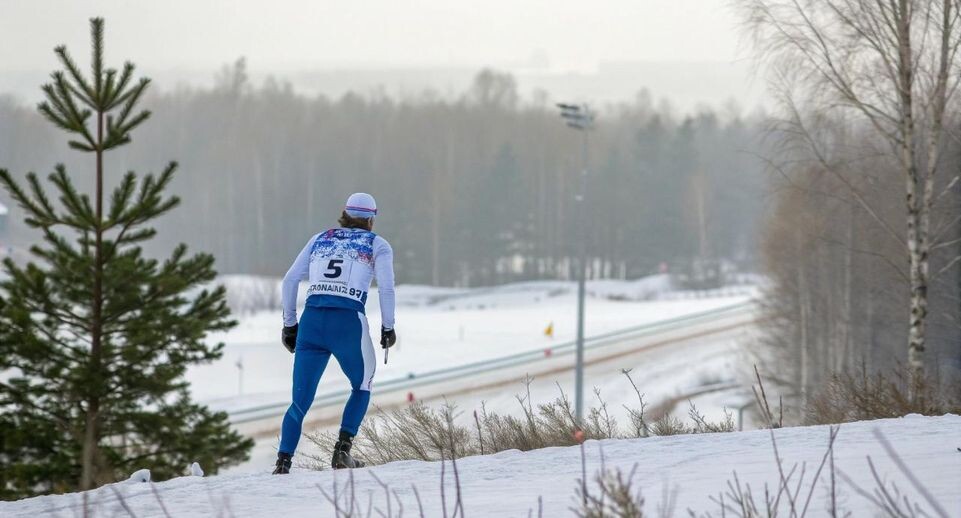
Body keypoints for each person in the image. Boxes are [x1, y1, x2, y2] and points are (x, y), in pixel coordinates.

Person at [273, 193, 396, 474]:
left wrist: (290, 324)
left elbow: (290, 279)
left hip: (312, 322)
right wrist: (388, 326)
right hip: (347, 322)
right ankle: (342, 452)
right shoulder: (378, 244)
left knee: (299, 401)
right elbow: (387, 289)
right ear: (371, 219)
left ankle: (283, 462)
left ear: (344, 213)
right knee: (362, 385)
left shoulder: (320, 238)